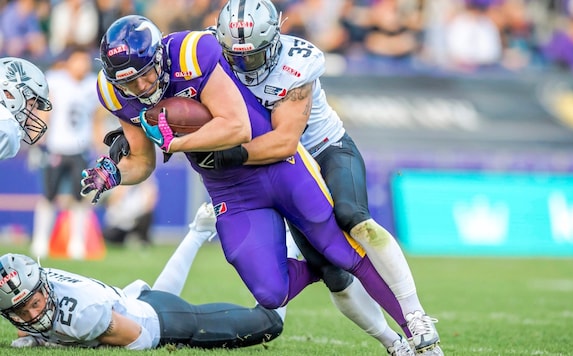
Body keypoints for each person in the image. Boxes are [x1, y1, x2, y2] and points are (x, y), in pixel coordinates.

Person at [82, 14, 412, 354]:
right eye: (129, 83)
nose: (140, 88)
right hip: (230, 189)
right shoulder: (112, 91)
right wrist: (116, 175)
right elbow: (142, 161)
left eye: (144, 75)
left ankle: (416, 333)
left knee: (346, 253)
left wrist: (175, 143)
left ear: (159, 57)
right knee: (271, 293)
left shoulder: (192, 53)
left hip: (272, 163)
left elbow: (236, 126)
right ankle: (318, 264)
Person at [213, 1, 441, 355]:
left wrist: (233, 154)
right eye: (237, 57)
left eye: (254, 56)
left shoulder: (297, 61)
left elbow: (285, 141)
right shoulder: (210, 56)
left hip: (323, 150)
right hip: (279, 169)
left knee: (353, 218)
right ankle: (393, 344)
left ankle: (415, 315)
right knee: (332, 274)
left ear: (274, 39)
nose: (246, 65)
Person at [1, 201, 285, 349]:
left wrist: (88, 344)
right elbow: (29, 321)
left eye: (34, 305)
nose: (31, 316)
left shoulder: (82, 313)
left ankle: (289, 246)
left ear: (44, 289)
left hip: (155, 321)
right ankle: (199, 231)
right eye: (20, 312)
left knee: (269, 323)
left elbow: (140, 339)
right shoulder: (32, 287)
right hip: (137, 301)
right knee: (158, 301)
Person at [30, 47, 101, 260]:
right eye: (79, 60)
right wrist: (38, 137)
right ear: (69, 62)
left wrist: (99, 144)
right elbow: (46, 111)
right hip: (57, 147)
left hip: (80, 148)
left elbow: (97, 117)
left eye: (85, 61)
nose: (83, 65)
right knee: (48, 195)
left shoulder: (92, 85)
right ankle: (40, 241)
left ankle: (76, 243)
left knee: (80, 198)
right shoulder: (56, 80)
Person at [0, 57, 51, 161]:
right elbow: (8, 134)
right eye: (31, 105)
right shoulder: (7, 130)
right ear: (8, 94)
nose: (35, 117)